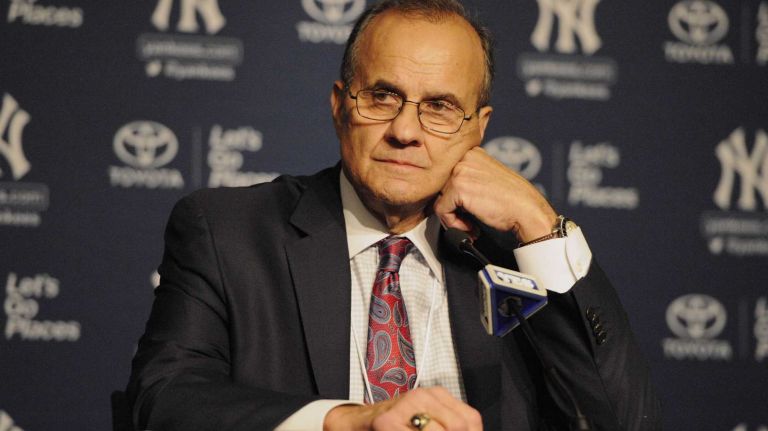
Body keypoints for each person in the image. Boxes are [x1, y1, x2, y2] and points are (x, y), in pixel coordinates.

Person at [127, 1, 661, 430]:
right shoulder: (231, 233)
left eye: (441, 107)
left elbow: (622, 420)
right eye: (382, 97)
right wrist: (346, 422)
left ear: (478, 129)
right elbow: (164, 402)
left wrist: (541, 225)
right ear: (340, 106)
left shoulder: (513, 258)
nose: (405, 131)